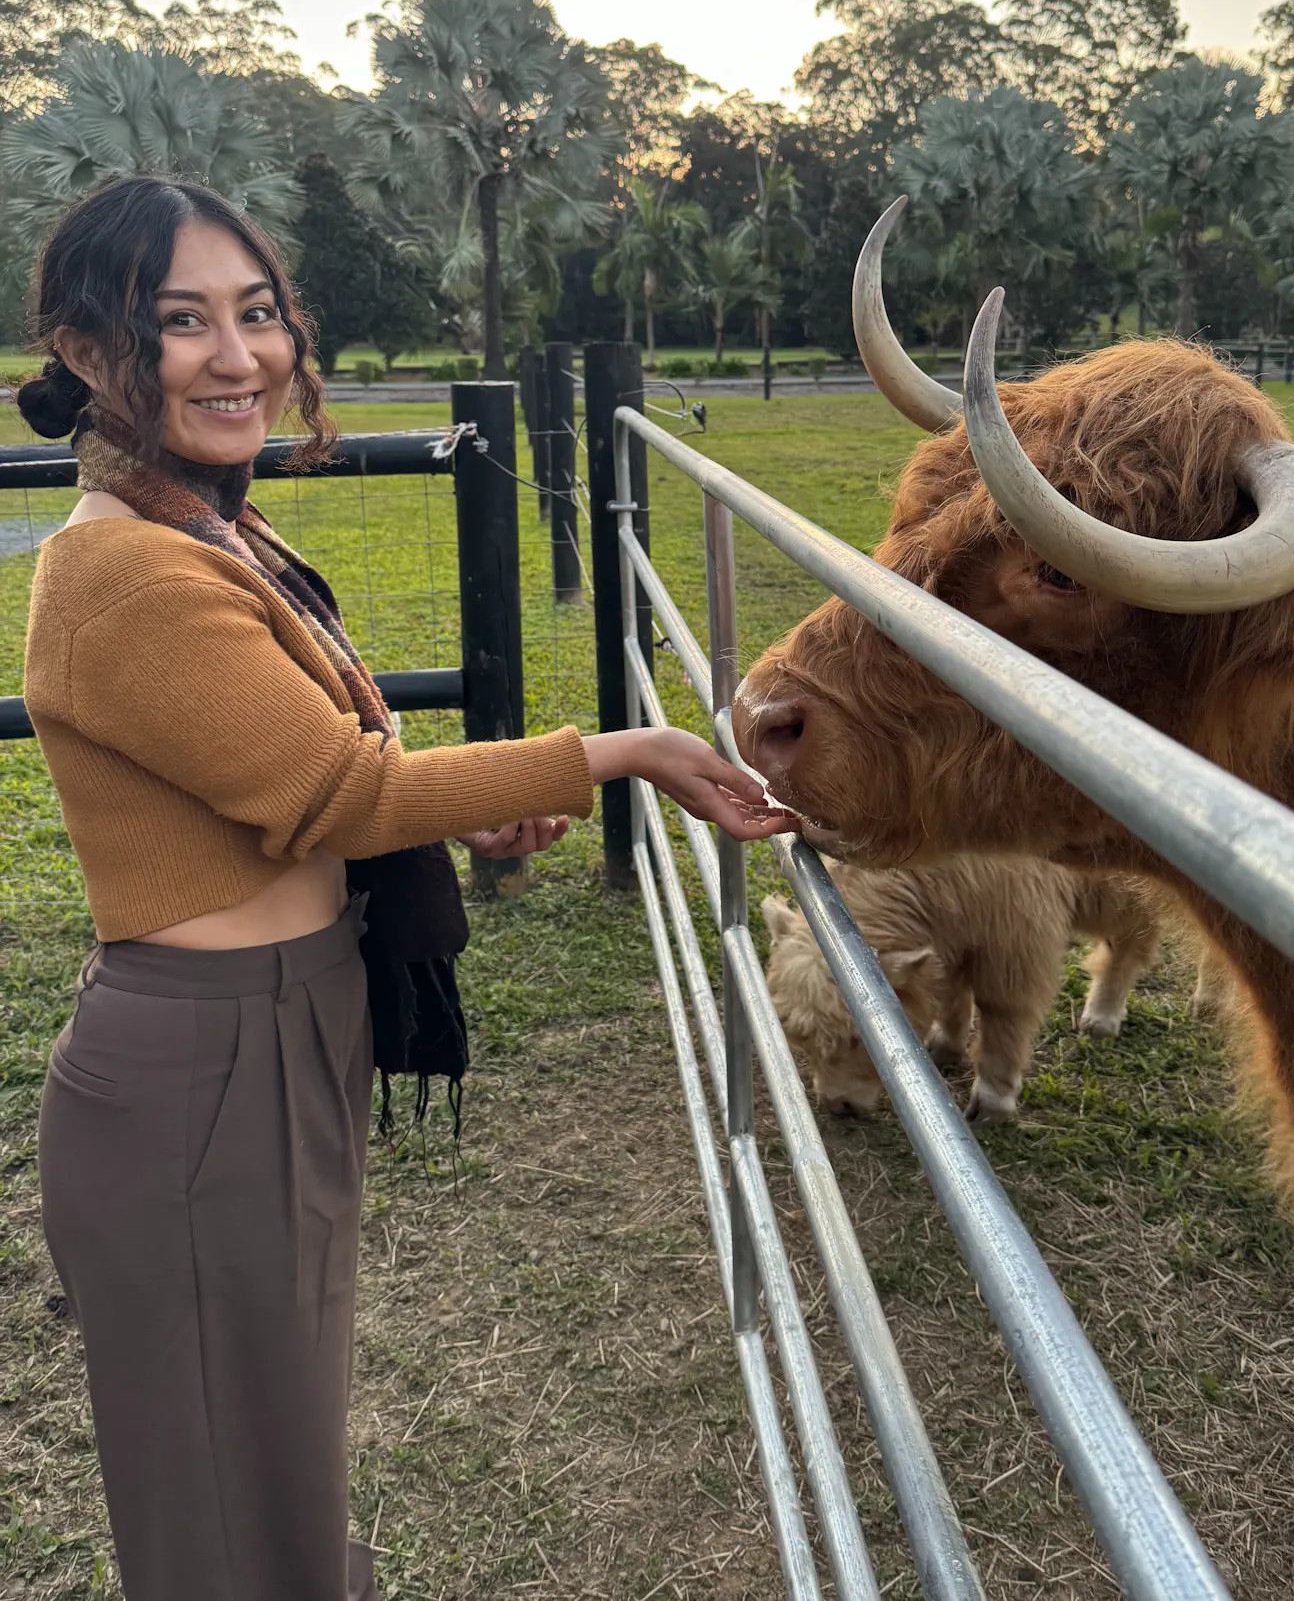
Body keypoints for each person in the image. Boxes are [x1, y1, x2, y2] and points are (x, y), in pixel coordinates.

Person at [17, 174, 797, 1601]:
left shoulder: (208, 529)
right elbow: (341, 791)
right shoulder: (125, 573)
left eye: (257, 314)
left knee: (276, 1463)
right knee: (223, 1508)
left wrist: (456, 825)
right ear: (81, 351)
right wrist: (618, 750)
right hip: (204, 1063)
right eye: (178, 322)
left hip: (288, 1023)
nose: (239, 356)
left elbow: (321, 781)